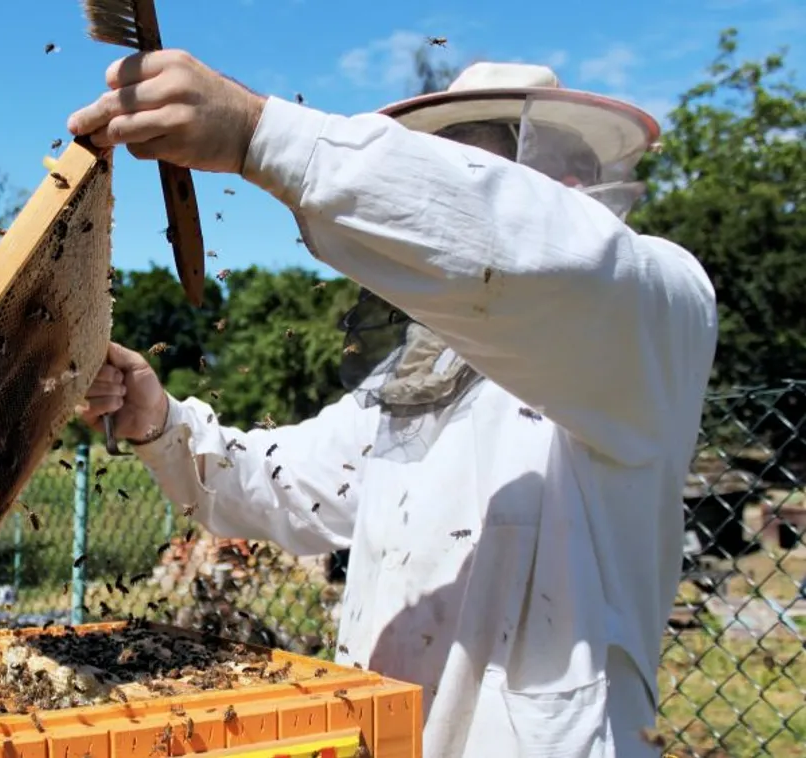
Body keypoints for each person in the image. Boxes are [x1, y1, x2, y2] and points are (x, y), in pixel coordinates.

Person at [68, 52, 718, 758]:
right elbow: (287, 485)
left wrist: (260, 133)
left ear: (562, 187)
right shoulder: (419, 375)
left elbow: (535, 253)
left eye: (478, 166)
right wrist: (160, 423)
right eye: (443, 163)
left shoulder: (658, 310)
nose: (445, 187)